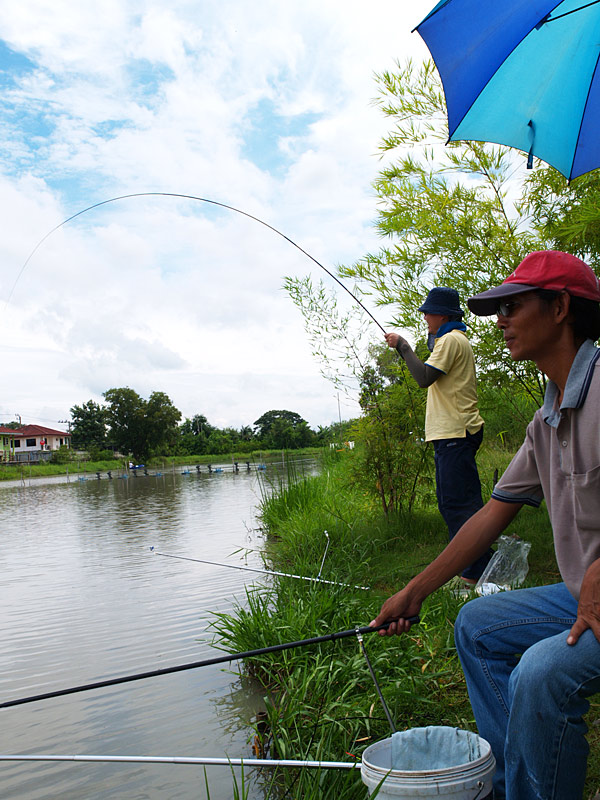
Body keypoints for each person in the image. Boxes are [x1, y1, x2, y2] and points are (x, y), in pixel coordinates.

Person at [371, 250, 600, 800]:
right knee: (476, 624)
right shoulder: (545, 423)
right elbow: (488, 518)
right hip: (583, 599)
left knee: (540, 673)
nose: (499, 320)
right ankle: (515, 781)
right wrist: (414, 591)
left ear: (561, 306)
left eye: (512, 306)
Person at [385, 286, 490, 584]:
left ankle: (474, 571)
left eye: (428, 313)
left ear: (442, 314)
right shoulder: (454, 339)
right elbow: (433, 354)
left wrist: (403, 346)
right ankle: (481, 561)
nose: (425, 318)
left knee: (457, 505)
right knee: (464, 503)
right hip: (458, 431)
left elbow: (423, 378)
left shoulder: (450, 340)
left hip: (455, 432)